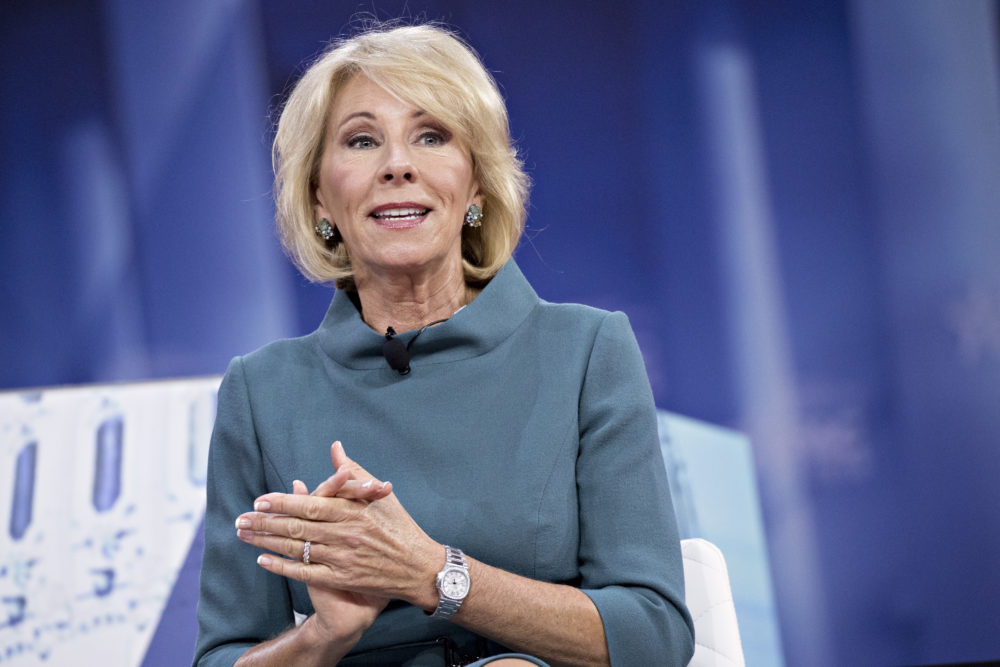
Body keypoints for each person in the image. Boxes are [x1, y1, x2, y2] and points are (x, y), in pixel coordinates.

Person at [193, 22, 694, 667]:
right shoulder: (263, 392)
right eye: (362, 140)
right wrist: (324, 635)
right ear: (319, 197)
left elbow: (654, 634)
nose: (397, 164)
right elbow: (223, 655)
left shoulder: (586, 352)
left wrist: (431, 573)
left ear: (476, 186)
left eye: (431, 136)